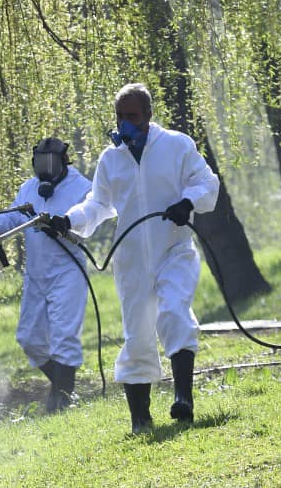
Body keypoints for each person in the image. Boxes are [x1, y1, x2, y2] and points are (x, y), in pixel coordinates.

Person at [42, 83, 220, 433]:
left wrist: (187, 203)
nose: (125, 124)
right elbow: (98, 204)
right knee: (136, 334)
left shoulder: (176, 145)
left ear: (149, 116)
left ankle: (183, 397)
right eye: (120, 117)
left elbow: (206, 183)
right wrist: (69, 220)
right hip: (132, 259)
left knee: (174, 311)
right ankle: (141, 419)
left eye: (132, 117)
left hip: (174, 249)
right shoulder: (112, 159)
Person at [0, 137, 93, 412]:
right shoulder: (29, 188)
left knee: (64, 336)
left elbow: (90, 223)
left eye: (49, 163)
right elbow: (15, 219)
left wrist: (65, 227)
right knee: (30, 338)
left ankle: (62, 399)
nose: (44, 169)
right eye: (39, 163)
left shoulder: (82, 188)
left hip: (68, 272)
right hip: (36, 274)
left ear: (64, 162)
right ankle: (61, 388)